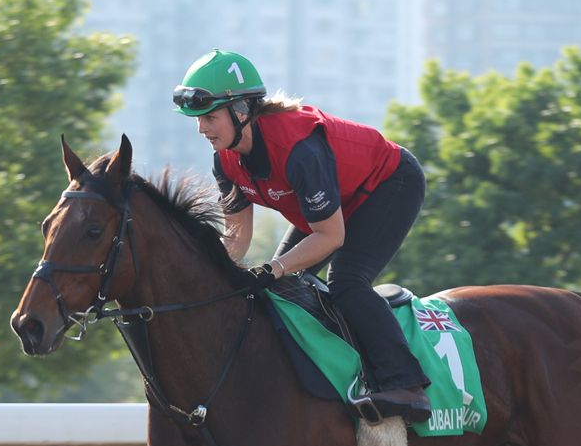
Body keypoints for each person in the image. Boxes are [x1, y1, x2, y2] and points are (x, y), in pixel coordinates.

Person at [174, 49, 432, 424]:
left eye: (210, 117)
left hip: (390, 184)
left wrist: (273, 267)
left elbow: (330, 236)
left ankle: (405, 383)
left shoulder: (299, 150)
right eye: (199, 119)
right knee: (280, 287)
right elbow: (236, 237)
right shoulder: (225, 159)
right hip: (333, 202)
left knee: (345, 281)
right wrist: (205, 279)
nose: (202, 129)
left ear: (242, 111)